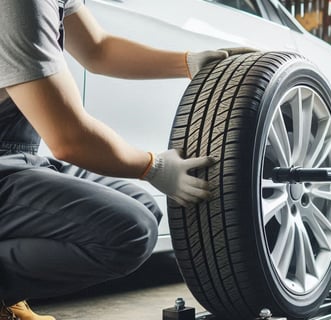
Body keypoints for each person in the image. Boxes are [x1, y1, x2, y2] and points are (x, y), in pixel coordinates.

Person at [0, 1, 247, 319]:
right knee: (130, 230)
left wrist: (185, 63)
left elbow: (97, 49)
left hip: (16, 156)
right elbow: (69, 139)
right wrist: (152, 166)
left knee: (145, 207)